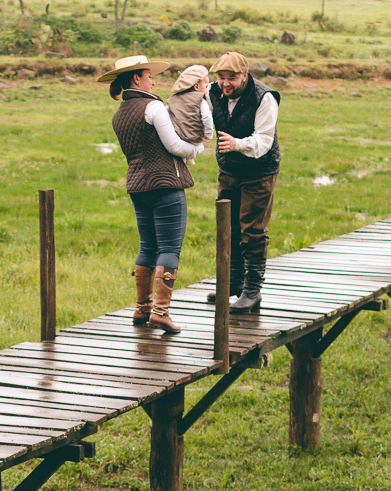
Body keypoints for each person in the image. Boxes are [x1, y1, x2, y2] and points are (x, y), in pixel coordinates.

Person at [98, 55, 206, 335]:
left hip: (137, 186)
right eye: (149, 76)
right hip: (165, 185)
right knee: (169, 249)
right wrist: (198, 149)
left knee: (147, 247)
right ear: (136, 78)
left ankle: (142, 308)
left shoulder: (118, 114)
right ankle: (160, 312)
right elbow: (174, 146)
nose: (153, 81)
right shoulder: (153, 106)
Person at [205, 51, 281, 315]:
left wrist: (237, 144)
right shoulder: (212, 91)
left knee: (252, 229)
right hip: (228, 169)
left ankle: (252, 291)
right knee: (228, 228)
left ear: (245, 75)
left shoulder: (264, 97)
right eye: (221, 77)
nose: (225, 84)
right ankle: (233, 283)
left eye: (232, 78)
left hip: (259, 171)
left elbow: (264, 140)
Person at [166, 64, 215, 164]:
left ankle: (184, 161)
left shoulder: (174, 98)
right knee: (197, 147)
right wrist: (208, 134)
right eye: (206, 86)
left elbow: (166, 112)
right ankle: (187, 161)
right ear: (196, 86)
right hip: (193, 136)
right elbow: (207, 117)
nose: (207, 90)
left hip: (178, 135)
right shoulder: (200, 99)